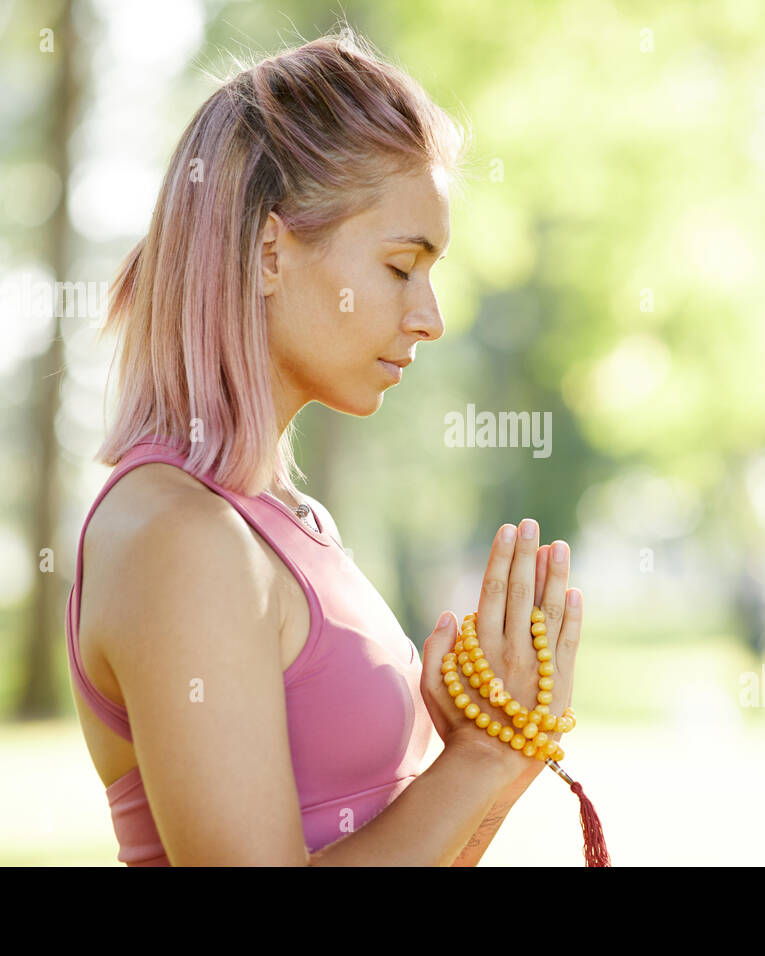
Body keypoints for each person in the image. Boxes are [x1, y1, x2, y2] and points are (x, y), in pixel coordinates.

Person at [64, 27, 584, 866]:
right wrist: (483, 755)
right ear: (270, 252)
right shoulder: (180, 538)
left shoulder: (288, 523)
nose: (431, 316)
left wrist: (494, 763)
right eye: (400, 265)